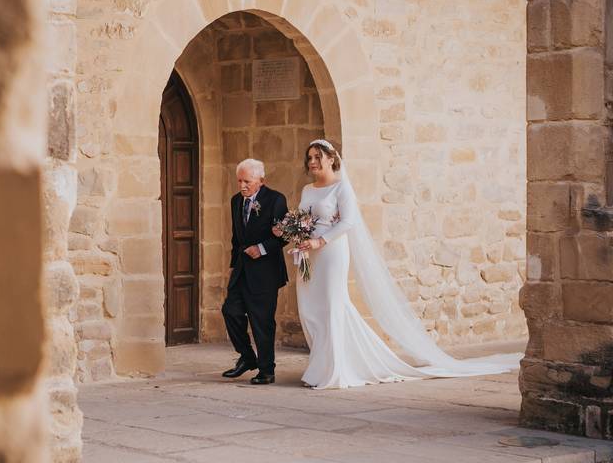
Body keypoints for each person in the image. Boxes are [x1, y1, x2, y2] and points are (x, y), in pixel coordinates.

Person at [277, 139, 521, 389]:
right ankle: (323, 364)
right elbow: (304, 218)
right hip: (308, 254)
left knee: (331, 306)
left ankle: (333, 370)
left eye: (318, 156)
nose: (313, 162)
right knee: (311, 309)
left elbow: (348, 222)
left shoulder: (341, 188)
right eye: (310, 158)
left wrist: (320, 241)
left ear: (331, 159)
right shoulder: (308, 190)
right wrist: (298, 236)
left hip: (331, 252)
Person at [220, 159, 290, 385]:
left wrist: (261, 249)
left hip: (265, 272)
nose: (242, 186)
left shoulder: (276, 200)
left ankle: (267, 370)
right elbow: (235, 238)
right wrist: (232, 266)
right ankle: (247, 357)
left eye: (247, 181)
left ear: (261, 181)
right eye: (239, 180)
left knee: (262, 321)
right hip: (241, 270)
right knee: (230, 310)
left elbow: (286, 235)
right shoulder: (235, 201)